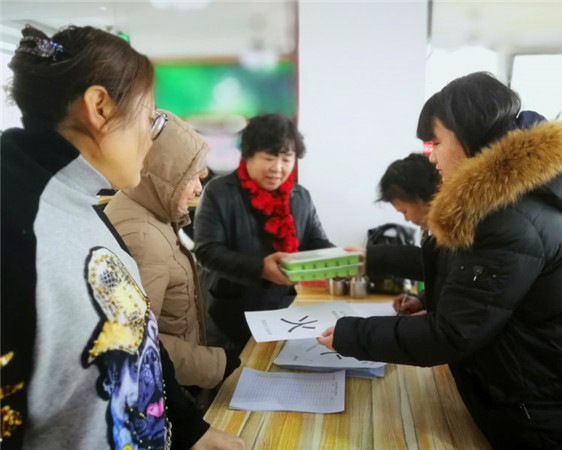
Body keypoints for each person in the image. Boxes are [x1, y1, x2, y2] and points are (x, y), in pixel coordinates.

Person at [320, 72, 562, 448]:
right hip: (532, 393)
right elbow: (479, 289)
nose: (432, 155)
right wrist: (431, 298)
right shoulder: (497, 204)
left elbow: (453, 333)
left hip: (550, 413)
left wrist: (351, 335)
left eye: (436, 142)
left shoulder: (510, 217)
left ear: (469, 134)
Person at [1, 25, 243, 450]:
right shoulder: (16, 231)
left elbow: (138, 333)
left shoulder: (85, 204)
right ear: (100, 107)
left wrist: (192, 430)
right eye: (150, 119)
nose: (151, 141)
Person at [104, 110, 240, 393]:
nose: (199, 189)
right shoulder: (143, 236)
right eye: (192, 178)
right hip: (163, 390)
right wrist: (213, 363)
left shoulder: (149, 209)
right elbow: (137, 339)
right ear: (165, 175)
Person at [194, 113, 333, 353]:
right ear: (248, 155)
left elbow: (315, 241)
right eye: (269, 158)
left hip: (283, 310)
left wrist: (341, 259)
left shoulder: (300, 196)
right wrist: (261, 268)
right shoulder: (219, 192)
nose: (277, 168)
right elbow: (207, 252)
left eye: (286, 159)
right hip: (229, 314)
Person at [366, 153, 440, 315]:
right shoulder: (435, 232)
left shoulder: (461, 232)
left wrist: (432, 317)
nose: (407, 219)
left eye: (405, 211)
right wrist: (423, 301)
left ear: (420, 198)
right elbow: (444, 277)